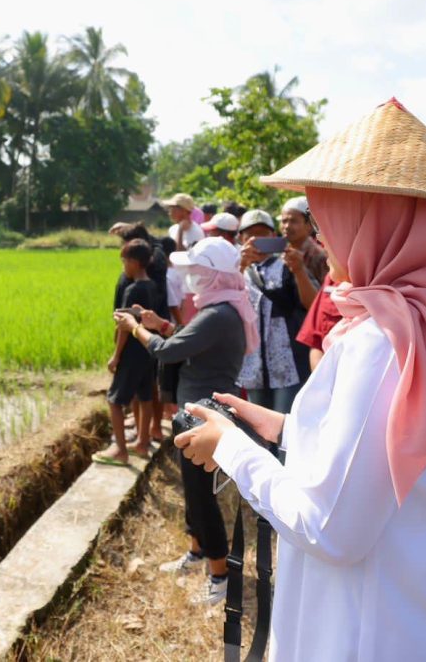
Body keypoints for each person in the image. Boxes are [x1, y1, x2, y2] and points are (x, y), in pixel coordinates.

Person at [174, 98, 426, 661]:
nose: (323, 237)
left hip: (377, 632)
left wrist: (234, 453)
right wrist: (284, 429)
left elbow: (329, 529)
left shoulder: (387, 344)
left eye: (329, 219)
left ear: (378, 222)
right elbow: (397, 453)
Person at [113, 236, 258, 606]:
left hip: (203, 417)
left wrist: (135, 328)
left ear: (211, 276)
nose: (190, 278)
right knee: (193, 494)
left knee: (202, 498)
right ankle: (197, 553)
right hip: (194, 412)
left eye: (196, 271)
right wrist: (162, 324)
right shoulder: (223, 309)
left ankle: (220, 576)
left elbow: (166, 351)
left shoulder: (218, 314)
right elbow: (185, 341)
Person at [237, 209, 316, 414]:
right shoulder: (235, 269)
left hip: (288, 365)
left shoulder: (289, 265)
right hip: (253, 364)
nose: (258, 240)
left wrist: (299, 272)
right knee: (257, 428)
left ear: (274, 237)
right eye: (251, 235)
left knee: (283, 426)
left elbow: (313, 305)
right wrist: (239, 267)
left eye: (264, 234)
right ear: (241, 238)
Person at [97, 239, 160, 466]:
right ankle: (142, 443)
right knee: (145, 396)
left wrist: (115, 356)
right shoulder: (152, 286)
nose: (123, 266)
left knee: (114, 400)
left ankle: (120, 451)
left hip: (132, 352)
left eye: (124, 261)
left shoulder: (133, 289)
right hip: (147, 351)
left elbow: (125, 326)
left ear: (134, 262)